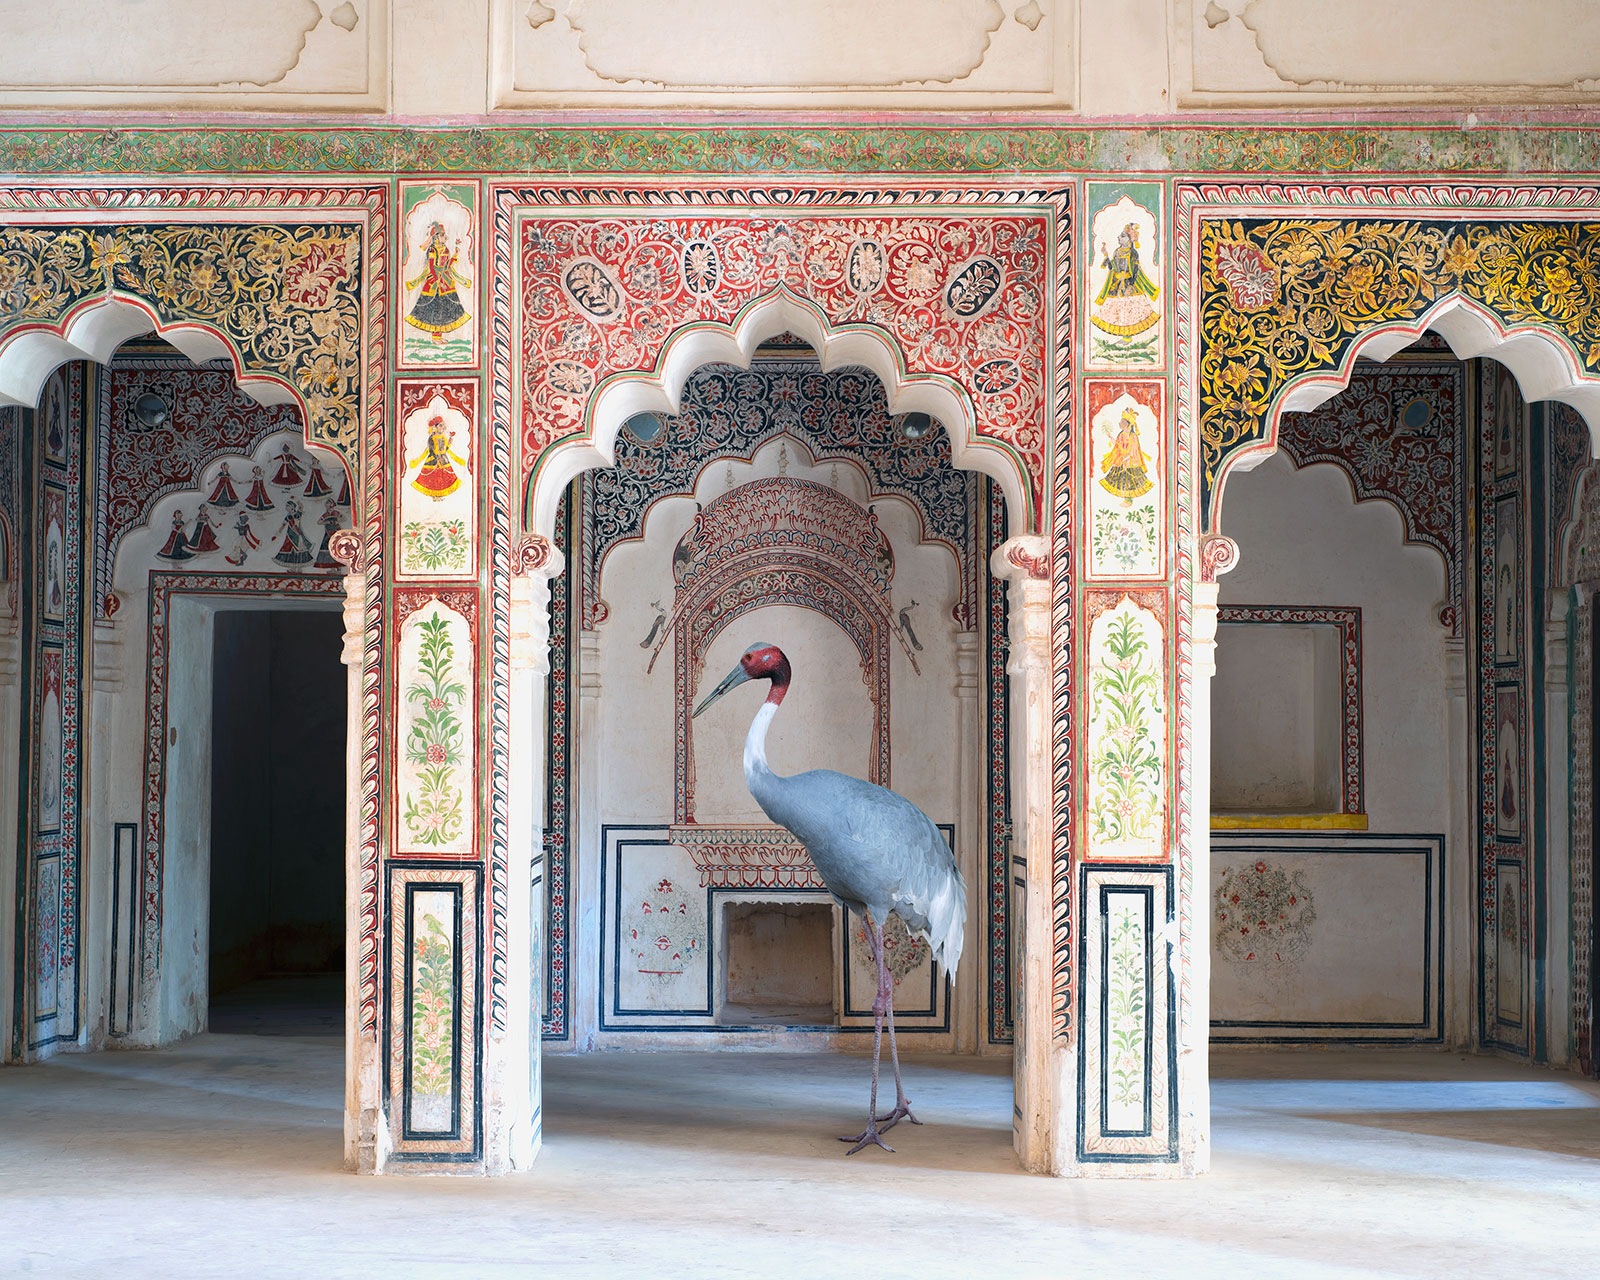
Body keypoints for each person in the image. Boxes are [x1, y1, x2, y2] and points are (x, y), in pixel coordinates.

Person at [405, 220, 471, 343]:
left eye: (444, 235)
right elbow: (431, 266)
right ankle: (435, 337)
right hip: (434, 282)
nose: (445, 237)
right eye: (442, 235)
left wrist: (455, 256)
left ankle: (438, 337)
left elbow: (447, 265)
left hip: (445, 280)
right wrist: (437, 281)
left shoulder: (445, 250)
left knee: (445, 308)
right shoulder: (432, 250)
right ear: (436, 237)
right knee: (434, 309)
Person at [1099, 407, 1154, 500]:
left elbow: (1134, 450)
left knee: (1131, 482)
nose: (1119, 423)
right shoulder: (1120, 435)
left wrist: (1127, 458)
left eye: (1122, 422)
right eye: (1120, 421)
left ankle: (1129, 501)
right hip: (1121, 460)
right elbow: (1117, 446)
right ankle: (1126, 500)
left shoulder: (1133, 436)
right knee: (1121, 482)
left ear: (1128, 424)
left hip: (1130, 462)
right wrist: (1110, 437)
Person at [409, 414, 464, 499]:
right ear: (435, 427)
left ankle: (440, 496)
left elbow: (445, 450)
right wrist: (438, 457)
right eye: (441, 425)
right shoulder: (432, 438)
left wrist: (449, 444)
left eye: (443, 425)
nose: (443, 428)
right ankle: (435, 496)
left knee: (444, 479)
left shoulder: (444, 437)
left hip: (443, 460)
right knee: (433, 479)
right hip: (433, 460)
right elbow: (431, 450)